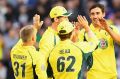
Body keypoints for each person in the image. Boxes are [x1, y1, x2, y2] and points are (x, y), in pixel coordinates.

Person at [47, 15, 98, 79]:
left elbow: (49, 75)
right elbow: (95, 42)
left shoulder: (52, 51)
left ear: (58, 34)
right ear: (72, 33)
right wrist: (86, 27)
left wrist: (74, 37)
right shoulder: (79, 47)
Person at [86, 4, 120, 79]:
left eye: (98, 13)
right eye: (92, 14)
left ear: (103, 14)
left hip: (111, 75)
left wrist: (107, 29)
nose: (95, 16)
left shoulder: (112, 28)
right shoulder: (85, 32)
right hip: (93, 75)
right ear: (90, 16)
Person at [10, 14, 47, 79]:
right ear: (33, 38)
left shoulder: (14, 49)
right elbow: (42, 77)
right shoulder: (36, 56)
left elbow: (24, 37)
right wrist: (35, 27)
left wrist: (35, 28)